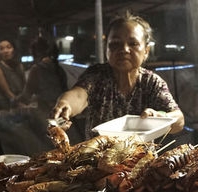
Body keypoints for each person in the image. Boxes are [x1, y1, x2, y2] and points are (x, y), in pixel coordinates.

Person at [50, 11, 185, 139]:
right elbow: (79, 95)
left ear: (146, 51)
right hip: (97, 160)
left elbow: (179, 119)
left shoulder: (152, 83)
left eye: (133, 44)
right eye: (115, 44)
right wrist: (65, 104)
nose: (124, 50)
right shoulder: (97, 76)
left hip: (141, 161)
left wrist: (160, 117)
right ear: (106, 49)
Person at [0, 38, 25, 112]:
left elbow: (24, 87)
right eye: (2, 49)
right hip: (5, 108)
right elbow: (7, 93)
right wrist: (21, 105)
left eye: (8, 47)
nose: (5, 51)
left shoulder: (19, 66)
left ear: (14, 49)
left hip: (20, 105)